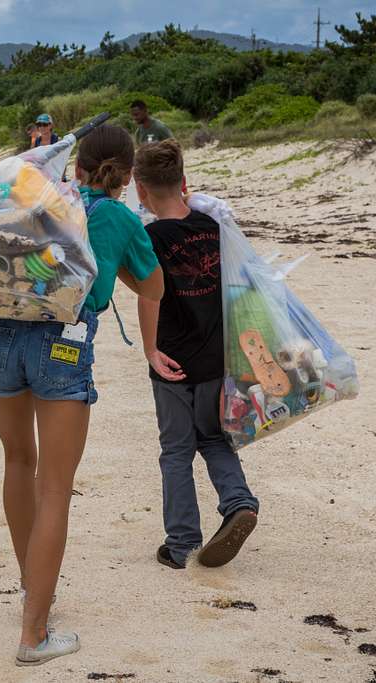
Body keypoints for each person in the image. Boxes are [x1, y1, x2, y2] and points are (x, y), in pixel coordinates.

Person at [0, 124, 164, 666]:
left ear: (75, 167)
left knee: (17, 462)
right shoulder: (115, 216)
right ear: (126, 176)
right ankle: (34, 633)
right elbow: (152, 287)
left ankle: (34, 594)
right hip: (61, 345)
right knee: (54, 489)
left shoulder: (37, 198)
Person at [132, 140, 258, 571]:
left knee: (176, 450)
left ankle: (182, 541)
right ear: (183, 182)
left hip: (173, 360)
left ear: (139, 189)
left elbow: (149, 298)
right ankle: (239, 502)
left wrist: (151, 350)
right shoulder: (212, 226)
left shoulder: (150, 237)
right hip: (214, 357)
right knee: (214, 438)